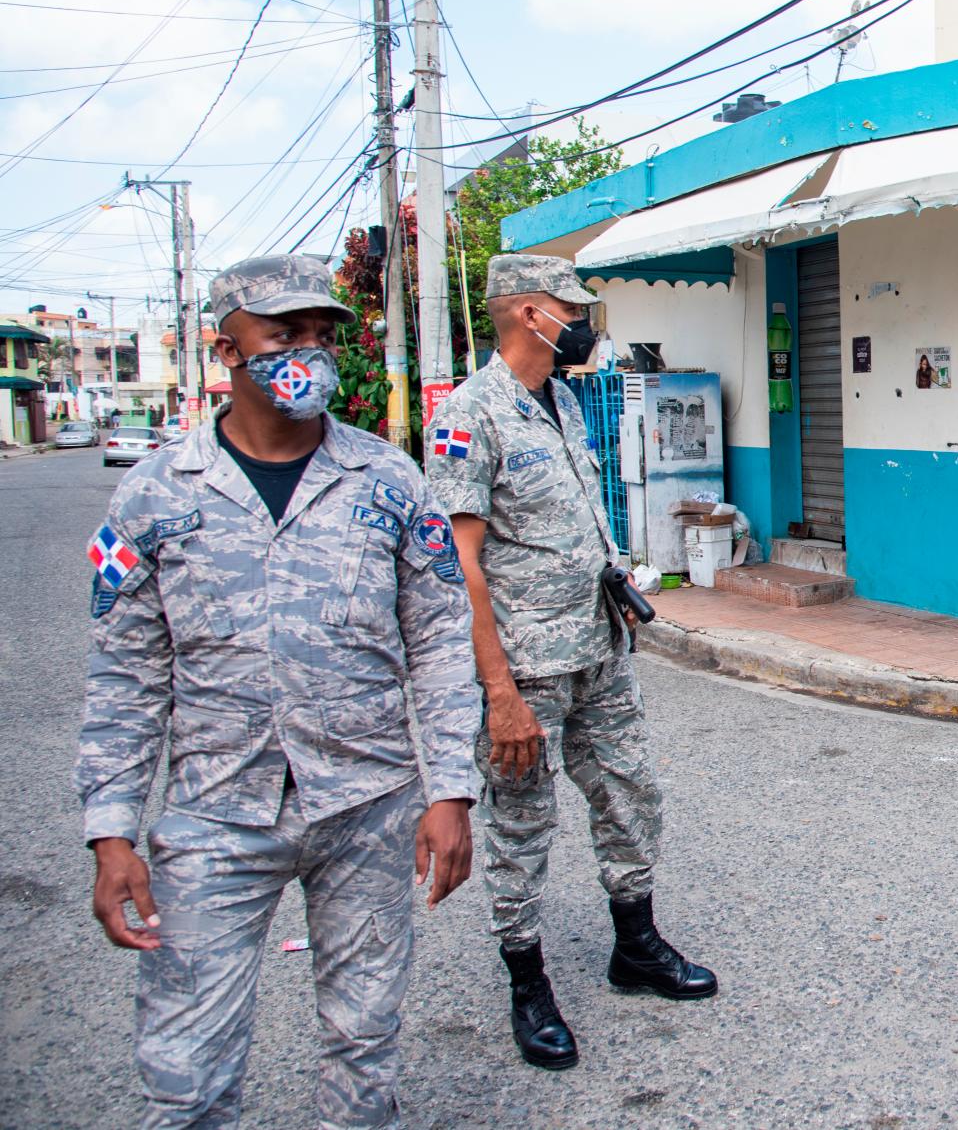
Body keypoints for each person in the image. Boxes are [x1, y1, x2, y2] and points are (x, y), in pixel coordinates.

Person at [76, 254, 480, 1129]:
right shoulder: (152, 494)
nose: (311, 351)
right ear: (227, 349)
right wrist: (110, 832)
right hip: (215, 813)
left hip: (367, 804)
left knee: (365, 1041)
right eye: (285, 333)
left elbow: (441, 642)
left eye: (323, 334)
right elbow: (125, 677)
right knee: (186, 1068)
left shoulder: (390, 481)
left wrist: (452, 788)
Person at [425, 254, 715, 1073]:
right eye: (573, 309)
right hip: (526, 669)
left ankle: (636, 945)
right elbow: (459, 566)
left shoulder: (565, 401)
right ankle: (528, 981)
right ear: (529, 313)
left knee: (631, 791)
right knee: (522, 823)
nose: (586, 322)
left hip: (598, 647)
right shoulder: (468, 415)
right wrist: (498, 692)